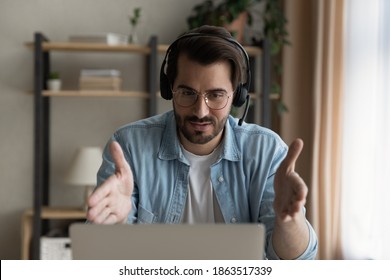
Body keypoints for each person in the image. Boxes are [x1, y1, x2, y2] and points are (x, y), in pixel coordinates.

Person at [87, 25, 318, 260]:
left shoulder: (266, 152)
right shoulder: (129, 147)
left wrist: (289, 222)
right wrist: (117, 225)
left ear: (236, 96)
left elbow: (297, 262)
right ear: (170, 90)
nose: (200, 111)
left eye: (216, 95)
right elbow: (104, 260)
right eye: (187, 93)